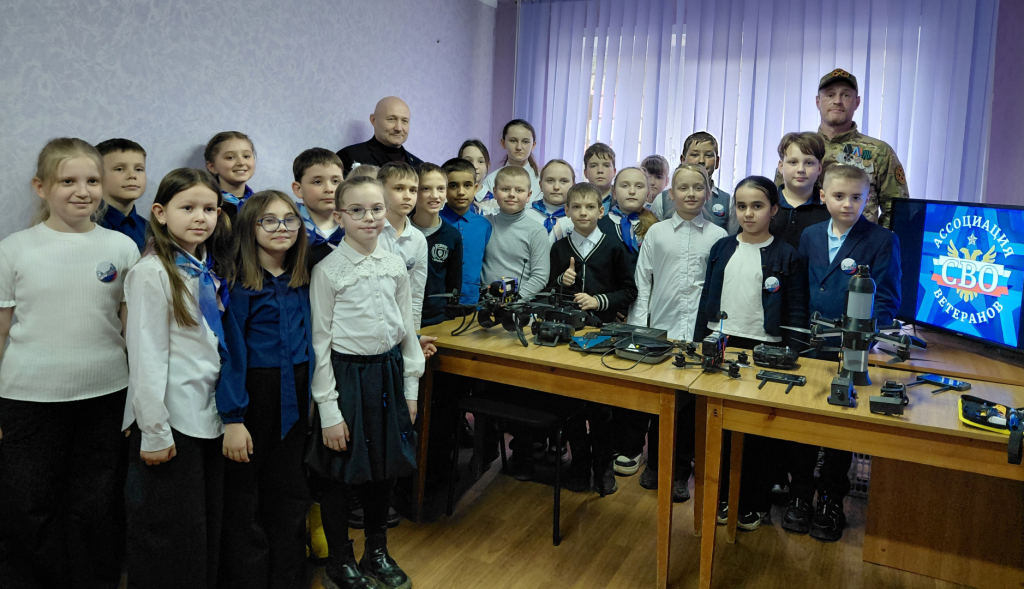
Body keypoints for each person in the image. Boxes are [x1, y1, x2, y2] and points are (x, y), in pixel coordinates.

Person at [0, 138, 140, 589]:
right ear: (41, 187)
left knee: (94, 505)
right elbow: (1, 332)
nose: (83, 191)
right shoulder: (14, 249)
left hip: (106, 396)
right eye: (68, 181)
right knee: (29, 505)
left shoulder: (122, 247)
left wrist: (137, 401)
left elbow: (133, 333)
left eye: (92, 181)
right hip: (27, 399)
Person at [306, 175, 423, 589]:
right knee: (342, 472)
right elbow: (319, 343)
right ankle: (340, 560)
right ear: (339, 216)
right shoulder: (328, 271)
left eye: (376, 209)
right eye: (357, 210)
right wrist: (329, 411)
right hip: (347, 379)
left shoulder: (394, 264)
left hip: (388, 374)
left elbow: (407, 331)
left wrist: (410, 389)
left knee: (384, 469)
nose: (369, 218)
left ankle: (377, 551)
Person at [123, 168, 234, 589]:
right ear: (160, 212)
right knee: (169, 534)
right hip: (171, 421)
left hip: (206, 414)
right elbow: (146, 356)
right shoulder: (151, 273)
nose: (200, 217)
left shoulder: (205, 269)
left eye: (209, 209)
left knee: (199, 528)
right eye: (187, 208)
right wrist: (154, 432)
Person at [785, 164, 901, 542]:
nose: (847, 204)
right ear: (823, 197)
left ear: (868, 199)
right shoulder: (810, 234)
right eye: (839, 196)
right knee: (803, 424)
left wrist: (864, 338)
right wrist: (797, 335)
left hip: (851, 349)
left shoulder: (882, 239)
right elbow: (801, 288)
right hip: (810, 345)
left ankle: (831, 500)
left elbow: (887, 299)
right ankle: (800, 493)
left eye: (856, 197)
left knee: (839, 429)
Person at [692, 176, 808, 531]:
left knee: (758, 436)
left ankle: (754, 502)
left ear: (774, 209)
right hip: (721, 344)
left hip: (765, 350)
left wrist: (793, 352)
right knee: (721, 429)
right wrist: (697, 341)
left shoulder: (787, 254)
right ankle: (723, 496)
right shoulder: (722, 248)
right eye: (741, 206)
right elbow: (706, 300)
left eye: (757, 206)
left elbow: (797, 310)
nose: (748, 213)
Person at [216, 191, 313, 589]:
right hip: (255, 393)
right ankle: (249, 578)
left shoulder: (304, 277)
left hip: (298, 392)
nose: (281, 228)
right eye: (269, 221)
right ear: (250, 227)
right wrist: (233, 418)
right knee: (245, 493)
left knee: (289, 488)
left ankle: (288, 576)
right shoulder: (238, 285)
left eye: (290, 219)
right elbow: (231, 354)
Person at [629, 163, 727, 501]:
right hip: (663, 330)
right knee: (663, 402)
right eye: (683, 188)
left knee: (690, 407)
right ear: (671, 193)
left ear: (708, 193)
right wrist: (640, 328)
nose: (690, 194)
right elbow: (643, 281)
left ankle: (681, 470)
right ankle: (655, 464)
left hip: (699, 334)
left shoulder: (718, 237)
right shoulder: (657, 233)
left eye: (698, 188)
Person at [546, 182, 638, 494]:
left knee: (601, 407)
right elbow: (551, 291)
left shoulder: (614, 247)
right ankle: (580, 463)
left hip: (603, 336)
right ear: (567, 211)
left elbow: (629, 291)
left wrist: (599, 301)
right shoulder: (560, 249)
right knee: (571, 403)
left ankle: (603, 467)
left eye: (589, 207)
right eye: (576, 207)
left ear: (601, 211)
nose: (582, 213)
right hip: (569, 336)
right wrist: (562, 280)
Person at [775, 69, 909, 227]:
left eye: (845, 95)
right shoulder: (799, 148)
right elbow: (778, 199)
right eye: (830, 95)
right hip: (803, 237)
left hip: (859, 238)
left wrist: (877, 239)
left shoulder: (879, 152)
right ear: (818, 102)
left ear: (857, 102)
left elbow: (897, 211)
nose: (837, 101)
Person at [481, 166, 550, 302]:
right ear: (495, 192)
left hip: (518, 305)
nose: (512, 194)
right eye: (505, 189)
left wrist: (516, 300)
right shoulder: (484, 224)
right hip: (484, 303)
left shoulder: (537, 231)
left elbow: (540, 277)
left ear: (528, 195)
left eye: (519, 190)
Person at [410, 163, 463, 327]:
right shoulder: (401, 232)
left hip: (437, 320)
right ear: (414, 192)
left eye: (440, 189)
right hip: (402, 319)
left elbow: (454, 282)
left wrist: (447, 316)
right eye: (426, 189)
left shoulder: (452, 236)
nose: (435, 195)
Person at [377, 162, 428, 330]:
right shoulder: (369, 231)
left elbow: (416, 293)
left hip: (401, 326)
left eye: (413, 190)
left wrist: (414, 334)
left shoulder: (418, 239)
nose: (407, 196)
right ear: (380, 190)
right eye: (399, 188)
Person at [440, 158, 492, 305]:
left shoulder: (484, 226)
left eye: (467, 185)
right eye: (453, 186)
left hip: (472, 304)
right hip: (439, 304)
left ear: (475, 188)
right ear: (443, 189)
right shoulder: (434, 222)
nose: (461, 192)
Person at [771, 132, 830, 250]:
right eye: (793, 162)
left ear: (819, 168)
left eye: (809, 163)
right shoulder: (766, 203)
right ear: (781, 167)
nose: (801, 169)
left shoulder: (830, 208)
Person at [337, 96, 423, 176]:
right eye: (391, 119)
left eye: (404, 121)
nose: (399, 128)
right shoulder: (350, 157)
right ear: (373, 120)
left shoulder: (419, 166)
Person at [291, 148, 345, 271]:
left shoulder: (353, 226)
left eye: (335, 181)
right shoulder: (290, 228)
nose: (329, 189)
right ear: (298, 189)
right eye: (317, 182)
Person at [475, 120, 542, 215]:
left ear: (533, 145)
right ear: (503, 143)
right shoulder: (491, 180)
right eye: (513, 141)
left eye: (525, 142)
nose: (519, 147)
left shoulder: (542, 182)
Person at [96, 138, 149, 251]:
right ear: (96, 175)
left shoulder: (151, 231)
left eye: (139, 169)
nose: (132, 175)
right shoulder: (85, 226)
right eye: (119, 169)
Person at [596, 167, 659, 259]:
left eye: (639, 186)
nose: (632, 191)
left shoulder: (656, 227)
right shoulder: (599, 226)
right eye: (625, 186)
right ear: (614, 193)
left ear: (648, 194)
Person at [205, 131, 257, 221]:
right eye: (230, 157)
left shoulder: (262, 204)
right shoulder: (207, 204)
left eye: (246, 156)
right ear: (212, 167)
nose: (241, 162)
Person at [525, 159, 576, 243]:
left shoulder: (578, 218)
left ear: (573, 186)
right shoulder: (526, 217)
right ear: (541, 185)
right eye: (550, 181)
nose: (556, 187)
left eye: (564, 181)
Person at [583, 142, 616, 210]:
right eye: (593, 166)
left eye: (606, 165)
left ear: (614, 172)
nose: (600, 170)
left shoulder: (622, 198)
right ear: (585, 173)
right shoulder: (575, 198)